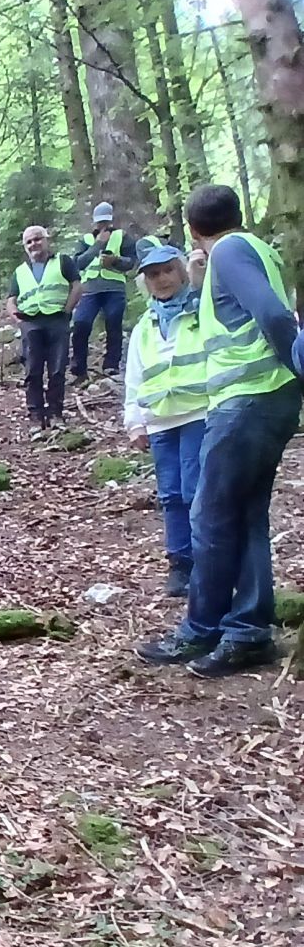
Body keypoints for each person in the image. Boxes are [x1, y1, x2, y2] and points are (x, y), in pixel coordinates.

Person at [136, 185, 302, 677]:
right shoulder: (250, 251)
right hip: (264, 400)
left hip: (248, 402)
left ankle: (201, 628)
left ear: (192, 231)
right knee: (246, 515)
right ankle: (248, 630)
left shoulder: (230, 251)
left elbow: (272, 314)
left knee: (210, 515)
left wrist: (298, 363)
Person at [122, 240, 207, 598]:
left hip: (199, 412)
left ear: (181, 270)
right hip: (160, 420)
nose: (162, 280)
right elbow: (135, 375)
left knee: (194, 490)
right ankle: (179, 563)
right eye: (153, 274)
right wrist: (134, 420)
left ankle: (205, 560)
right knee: (170, 494)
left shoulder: (202, 309)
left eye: (168, 270)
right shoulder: (146, 324)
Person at [6, 225, 82, 435]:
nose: (34, 245)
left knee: (57, 370)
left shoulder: (63, 262)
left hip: (57, 320)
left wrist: (67, 310)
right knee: (33, 370)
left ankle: (56, 414)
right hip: (31, 323)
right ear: (25, 247)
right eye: (29, 242)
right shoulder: (20, 272)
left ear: (46, 240)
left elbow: (76, 285)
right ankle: (36, 417)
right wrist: (18, 320)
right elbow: (11, 299)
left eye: (37, 239)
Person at [68, 201, 138, 383]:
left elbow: (131, 262)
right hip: (89, 289)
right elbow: (78, 263)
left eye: (106, 221)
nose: (103, 225)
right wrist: (98, 245)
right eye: (100, 222)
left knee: (114, 324)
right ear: (94, 222)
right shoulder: (85, 240)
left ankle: (111, 365)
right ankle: (79, 370)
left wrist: (115, 261)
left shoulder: (122, 237)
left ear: (111, 220)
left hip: (114, 288)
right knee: (81, 324)